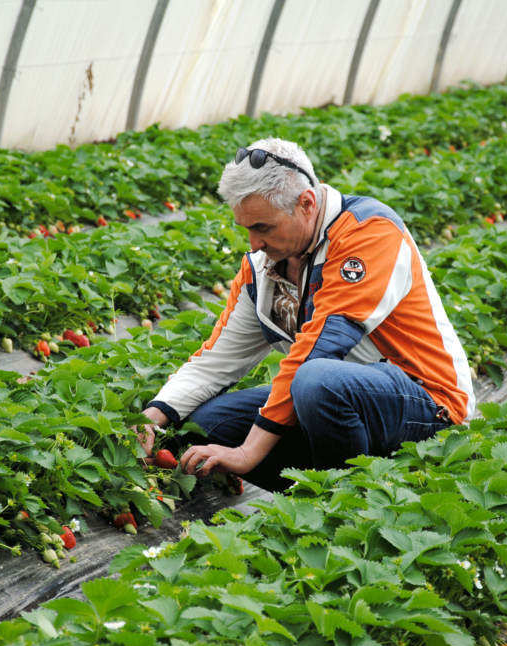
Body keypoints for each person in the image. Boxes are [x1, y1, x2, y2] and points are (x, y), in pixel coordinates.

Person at [135, 138, 474, 492]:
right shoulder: (261, 270)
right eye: (246, 228)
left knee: (317, 381)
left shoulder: (370, 230)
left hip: (428, 404)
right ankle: (315, 493)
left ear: (307, 204)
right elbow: (216, 362)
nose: (253, 244)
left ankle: (343, 504)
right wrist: (150, 418)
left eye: (263, 227)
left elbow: (322, 346)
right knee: (209, 423)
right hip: (337, 404)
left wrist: (248, 453)